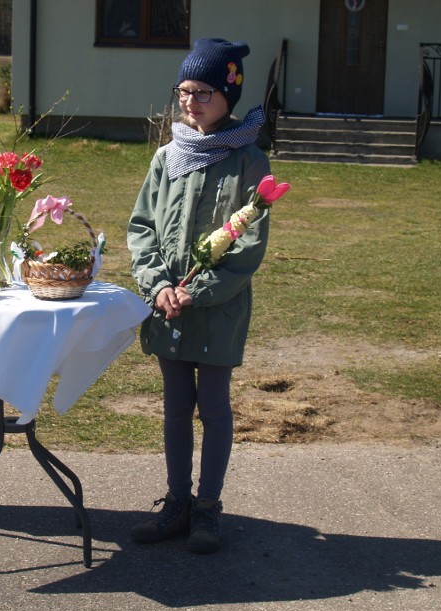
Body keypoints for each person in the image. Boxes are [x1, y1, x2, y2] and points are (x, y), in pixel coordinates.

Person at [127, 38, 271, 553]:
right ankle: (176, 503)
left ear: (229, 93)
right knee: (174, 408)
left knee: (212, 407)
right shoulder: (168, 155)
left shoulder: (249, 160)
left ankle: (208, 508)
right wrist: (159, 286)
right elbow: (142, 226)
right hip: (168, 307)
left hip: (218, 311)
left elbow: (249, 242)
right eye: (184, 91)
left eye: (203, 92)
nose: (190, 102)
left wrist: (200, 292)